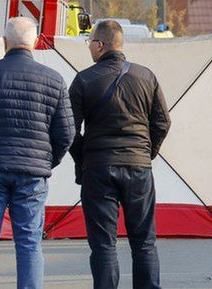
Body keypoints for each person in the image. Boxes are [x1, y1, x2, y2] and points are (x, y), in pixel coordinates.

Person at [0, 17, 76, 289]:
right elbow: (66, 133)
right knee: (29, 242)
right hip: (32, 174)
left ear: (4, 41)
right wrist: (46, 160)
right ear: (34, 42)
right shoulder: (53, 79)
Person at [69, 20, 170, 289]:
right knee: (144, 242)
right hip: (138, 168)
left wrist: (84, 157)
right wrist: (146, 153)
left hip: (99, 169)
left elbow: (68, 130)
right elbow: (162, 123)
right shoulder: (146, 76)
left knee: (104, 245)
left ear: (100, 46)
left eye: (90, 41)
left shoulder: (84, 79)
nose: (89, 46)